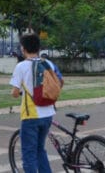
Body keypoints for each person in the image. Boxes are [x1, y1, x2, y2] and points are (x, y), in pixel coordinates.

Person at [10, 33, 64, 173]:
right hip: (48, 114)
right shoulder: (48, 63)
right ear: (38, 48)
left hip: (31, 116)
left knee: (29, 155)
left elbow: (15, 93)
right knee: (40, 149)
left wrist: (19, 92)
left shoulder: (21, 66)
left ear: (23, 48)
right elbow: (60, 82)